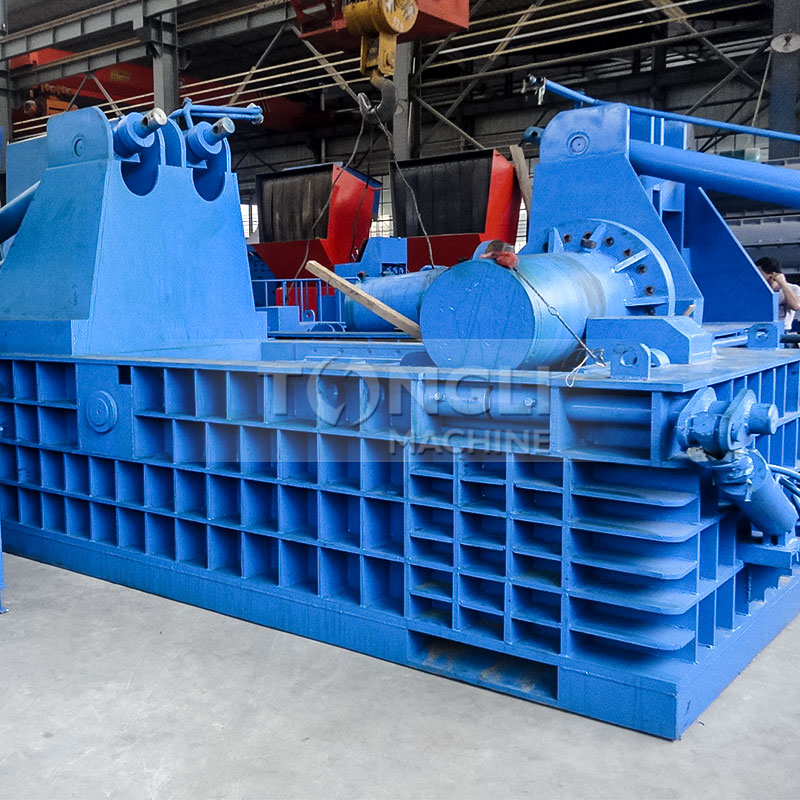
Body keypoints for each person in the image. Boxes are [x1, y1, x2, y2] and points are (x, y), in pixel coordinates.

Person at [756, 256, 800, 331]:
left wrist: (783, 283)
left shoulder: (793, 289)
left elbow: (795, 306)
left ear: (772, 274)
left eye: (760, 273)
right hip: (759, 329)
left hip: (782, 330)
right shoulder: (758, 291)